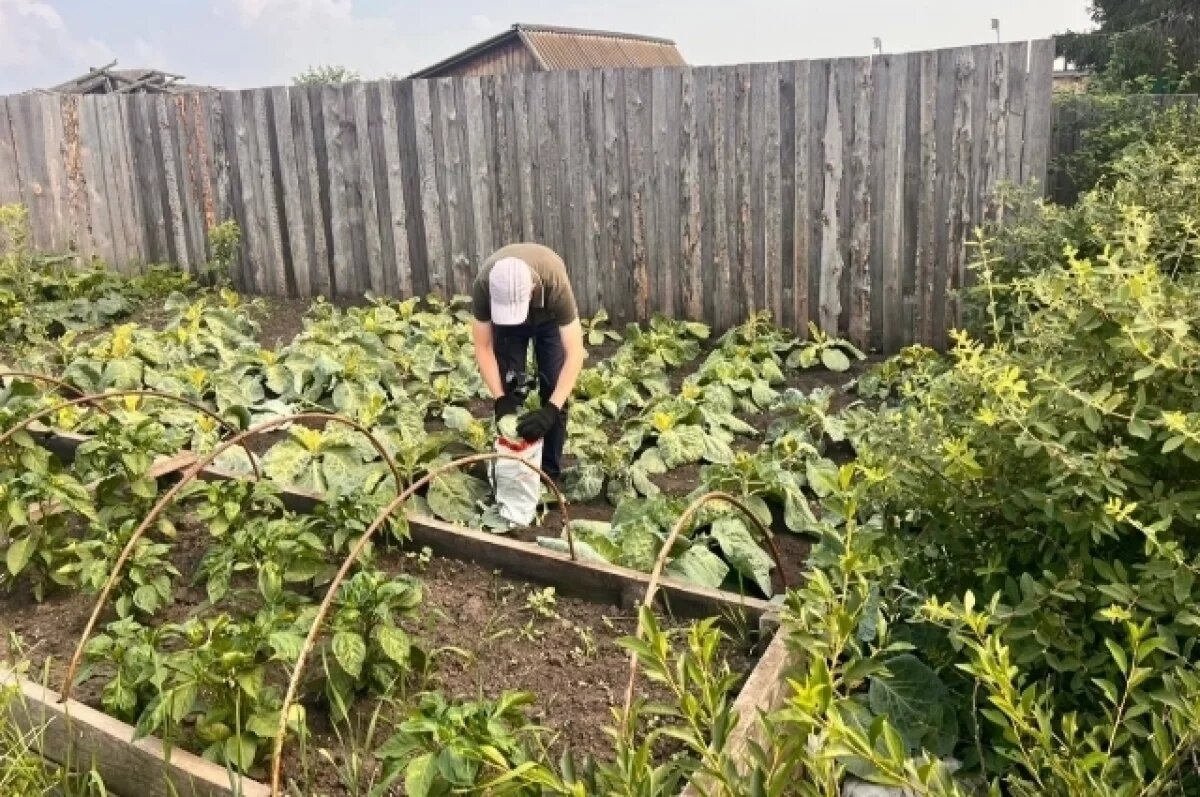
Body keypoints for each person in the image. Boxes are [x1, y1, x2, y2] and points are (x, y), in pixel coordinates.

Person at [470, 243, 585, 480]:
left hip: (548, 320)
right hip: (506, 329)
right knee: (510, 387)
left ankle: (549, 474)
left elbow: (575, 353)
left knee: (554, 385)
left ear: (532, 289)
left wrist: (551, 410)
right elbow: (482, 347)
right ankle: (513, 468)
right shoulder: (483, 285)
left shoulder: (555, 282)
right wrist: (500, 399)